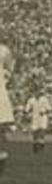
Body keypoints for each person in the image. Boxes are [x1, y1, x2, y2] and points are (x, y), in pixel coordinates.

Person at [0, 41, 14, 176]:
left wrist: (7, 76)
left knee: (1, 131)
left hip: (0, 96)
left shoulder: (3, 50)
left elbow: (11, 67)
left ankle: (2, 161)